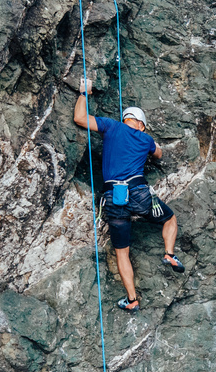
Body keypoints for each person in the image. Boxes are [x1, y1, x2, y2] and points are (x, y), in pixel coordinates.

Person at [73, 77, 185, 312]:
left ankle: (132, 299)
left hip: (113, 197)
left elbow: (80, 119)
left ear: (125, 119)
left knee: (122, 252)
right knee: (169, 218)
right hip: (139, 193)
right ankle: (169, 254)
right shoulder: (146, 139)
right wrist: (147, 144)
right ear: (141, 125)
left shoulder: (112, 127)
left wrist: (84, 93)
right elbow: (160, 154)